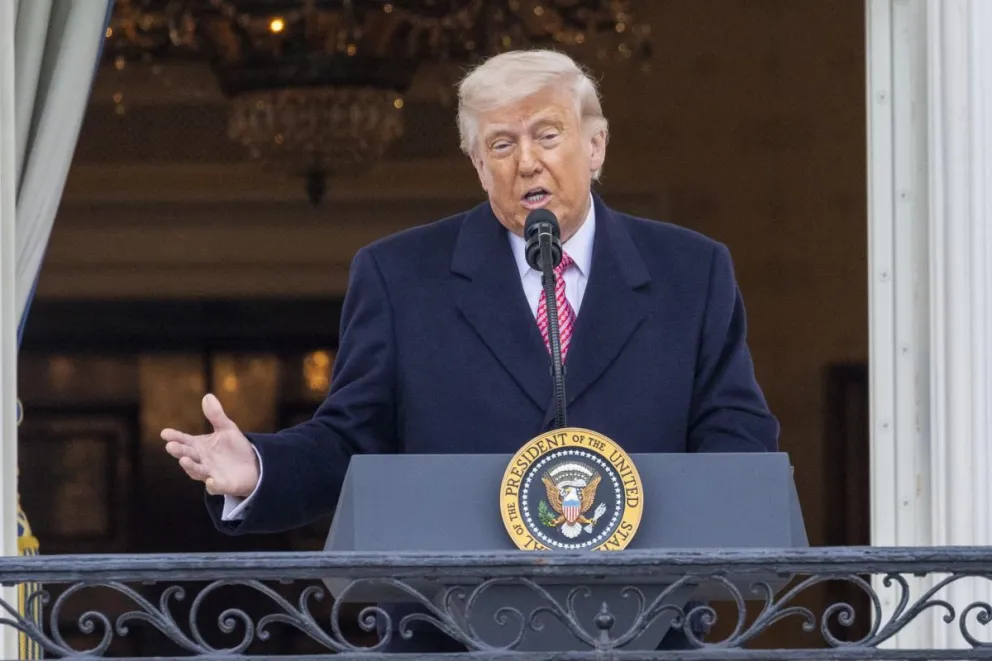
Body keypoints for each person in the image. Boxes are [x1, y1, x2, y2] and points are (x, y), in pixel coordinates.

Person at [161, 49, 779, 652]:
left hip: (643, 630)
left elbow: (736, 434)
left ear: (596, 146)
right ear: (479, 166)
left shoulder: (691, 271)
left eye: (548, 135)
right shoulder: (400, 276)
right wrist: (260, 469)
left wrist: (687, 522)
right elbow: (352, 438)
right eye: (502, 145)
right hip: (446, 633)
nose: (527, 163)